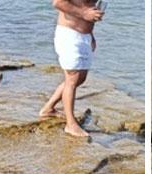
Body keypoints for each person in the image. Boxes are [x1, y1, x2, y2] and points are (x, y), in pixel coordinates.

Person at [39, 0, 105, 138]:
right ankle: (71, 125)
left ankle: (48, 109)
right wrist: (84, 13)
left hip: (84, 36)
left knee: (80, 78)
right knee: (72, 79)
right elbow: (58, 2)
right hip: (69, 35)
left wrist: (90, 33)